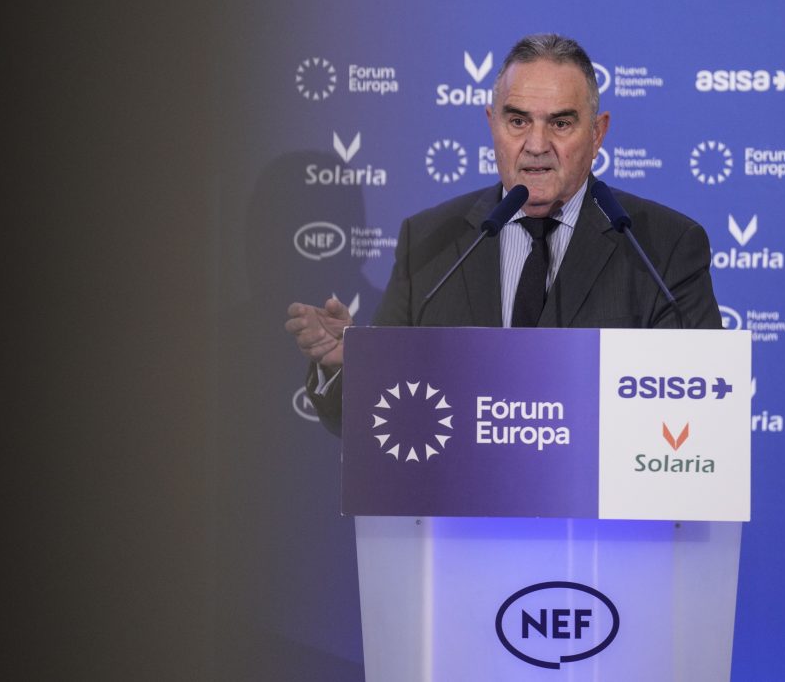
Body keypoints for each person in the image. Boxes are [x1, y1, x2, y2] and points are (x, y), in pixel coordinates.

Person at [286, 33, 722, 434]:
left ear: (597, 133)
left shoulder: (663, 247)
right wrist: (348, 367)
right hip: (460, 495)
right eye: (517, 122)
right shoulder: (430, 242)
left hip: (603, 496)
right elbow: (374, 420)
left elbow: (698, 412)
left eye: (560, 123)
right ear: (492, 123)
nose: (536, 144)